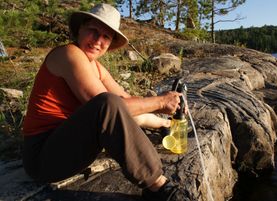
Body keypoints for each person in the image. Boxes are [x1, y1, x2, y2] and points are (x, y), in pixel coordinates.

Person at [22, 3, 190, 201]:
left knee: (114, 104)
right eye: (93, 31)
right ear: (79, 29)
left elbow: (126, 105)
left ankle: (156, 182)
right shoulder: (68, 54)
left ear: (110, 43)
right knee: (107, 103)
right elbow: (108, 107)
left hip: (69, 145)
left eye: (106, 37)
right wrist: (161, 101)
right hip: (43, 157)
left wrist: (166, 120)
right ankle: (160, 188)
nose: (97, 41)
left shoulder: (96, 67)